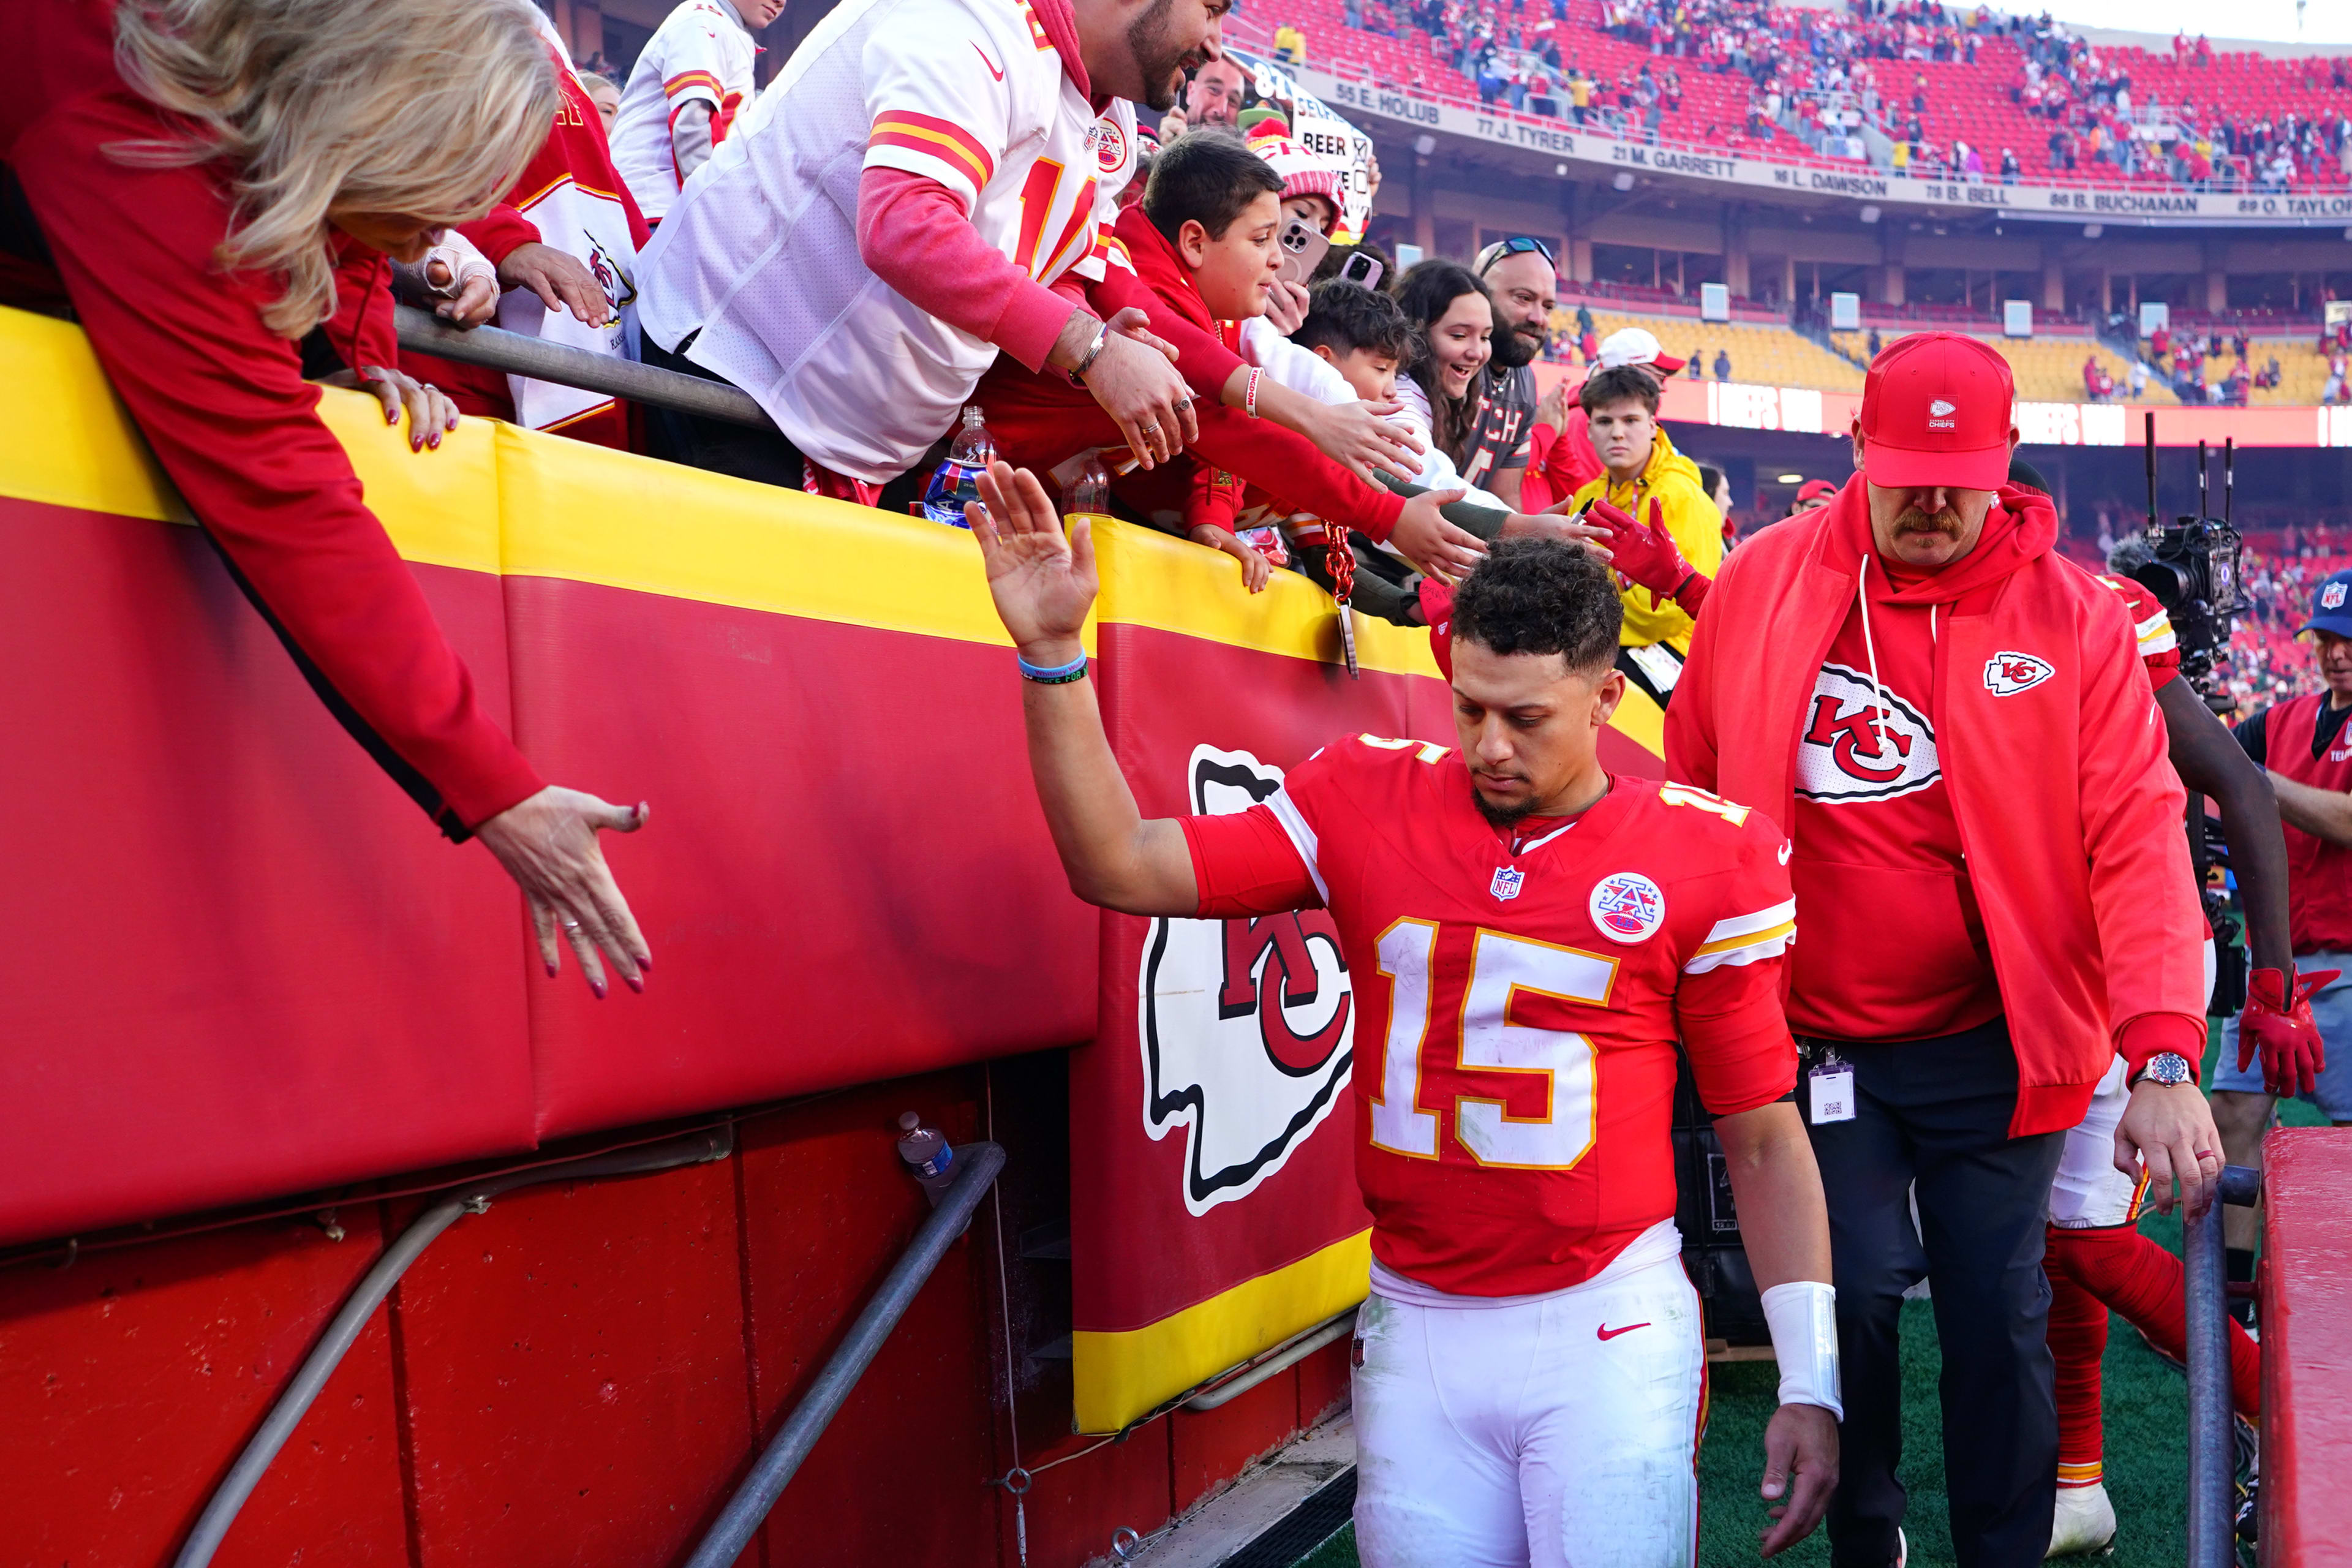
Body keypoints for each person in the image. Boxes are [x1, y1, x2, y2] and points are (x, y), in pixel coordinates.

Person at [970, 475, 1842, 1567]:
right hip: (1413, 1316)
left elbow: (1760, 1132)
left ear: (1607, 698)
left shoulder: (1711, 854)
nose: (1490, 746)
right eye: (1468, 707)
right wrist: (1054, 657)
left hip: (1604, 1320)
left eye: (1526, 718)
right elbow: (1121, 863)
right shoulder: (1363, 796)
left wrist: (1810, 1377)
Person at [1665, 331, 2220, 1567]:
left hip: (2002, 1041)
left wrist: (2167, 1052)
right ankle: (1871, 1535)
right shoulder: (1759, 583)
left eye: (1956, 474)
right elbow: (1688, 788)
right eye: (1907, 468)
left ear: (2005, 462)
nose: (1929, 499)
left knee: (1996, 1308)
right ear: (1859, 448)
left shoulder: (2073, 617)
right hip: (1822, 1038)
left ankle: (2004, 1551)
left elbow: (2138, 835)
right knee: (1850, 1294)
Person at [1, 0, 652, 996]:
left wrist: (364, 362)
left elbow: (336, 222)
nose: (446, 230)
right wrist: (499, 791)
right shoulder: (145, 136)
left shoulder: (281, 82)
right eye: (437, 198)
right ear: (367, 118)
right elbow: (289, 504)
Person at [635, 0, 1410, 508]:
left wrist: (1103, 337)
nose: (1217, 43)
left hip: (860, 444)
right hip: (736, 388)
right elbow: (906, 223)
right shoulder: (966, 22)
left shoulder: (1096, 117)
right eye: (1209, 6)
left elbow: (1065, 269)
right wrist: (1092, 350)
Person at [2037, 522, 2287, 1556]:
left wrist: (2272, 980)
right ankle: (2077, 1481)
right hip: (2048, 961)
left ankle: (2280, 1410)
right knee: (2061, 1223)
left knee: (2074, 1234)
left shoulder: (2091, 611)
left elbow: (2238, 781)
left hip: (2118, 962)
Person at [976, 133, 1482, 589]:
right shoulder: (1120, 257)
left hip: (1026, 499)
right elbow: (1220, 410)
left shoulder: (1220, 308)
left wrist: (1212, 519)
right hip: (963, 484)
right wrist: (1381, 507)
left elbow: (1219, 436)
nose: (1280, 258)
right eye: (1262, 239)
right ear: (1195, 241)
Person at [2211, 571, 2352, 1316]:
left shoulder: (2271, 745)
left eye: (2349, 640)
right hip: (2278, 961)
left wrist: (2252, 781)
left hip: (2350, 961)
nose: (2337, 654)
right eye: (2327, 639)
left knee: (2349, 1135)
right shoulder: (2287, 717)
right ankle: (2236, 1291)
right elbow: (2210, 769)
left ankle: (2334, 1296)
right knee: (2232, 1116)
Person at [1566, 364, 1723, 710]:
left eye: (1631, 421)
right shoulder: (1586, 498)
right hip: (1605, 641)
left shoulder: (1682, 496)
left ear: (1653, 426)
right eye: (1605, 422)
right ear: (1589, 429)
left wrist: (1584, 634)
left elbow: (1671, 613)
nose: (1617, 433)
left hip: (1675, 651)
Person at [609, 0, 778, 225]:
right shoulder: (704, 19)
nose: (781, 2)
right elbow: (693, 124)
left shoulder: (727, 26)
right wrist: (715, 211)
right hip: (656, 201)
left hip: (669, 204)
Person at [1465, 236, 1560, 508]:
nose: (1538, 318)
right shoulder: (1446, 359)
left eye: (1548, 307)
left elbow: (1506, 498)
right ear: (1478, 292)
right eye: (1524, 298)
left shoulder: (1525, 381)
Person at [1158, 54, 1250, 138]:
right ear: (1191, 91)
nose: (1221, 110)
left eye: (1233, 100)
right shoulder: (1151, 147)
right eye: (1214, 90)